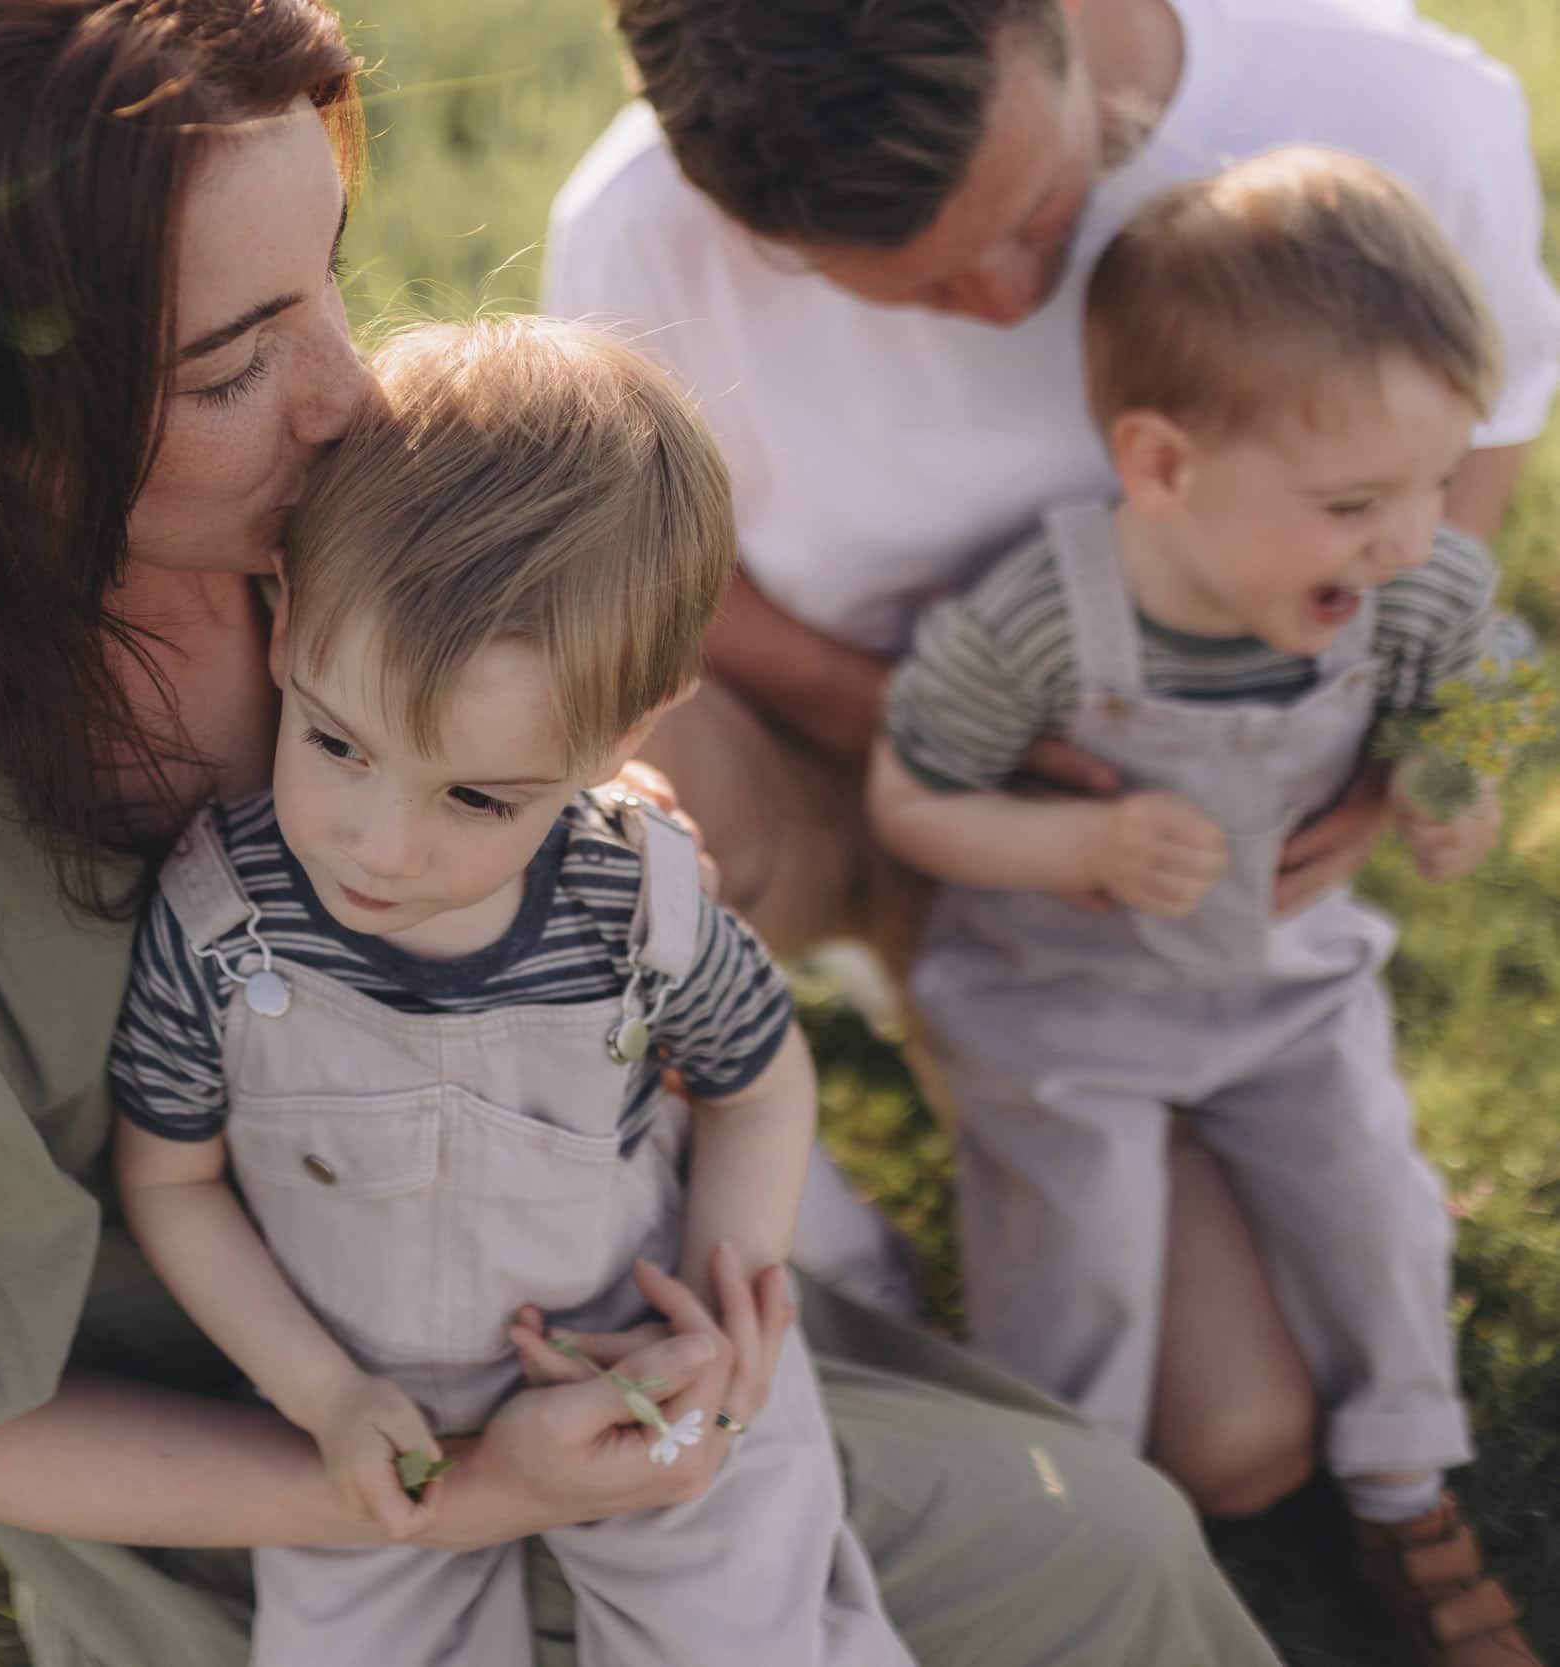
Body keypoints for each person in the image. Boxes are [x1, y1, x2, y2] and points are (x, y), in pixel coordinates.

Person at [0, 2, 1288, 1662]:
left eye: (325, 276)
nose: (347, 392)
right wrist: (452, 1490)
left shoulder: (342, 527)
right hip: (278, 1491)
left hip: (588, 1298)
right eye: (230, 361)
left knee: (1115, 1544)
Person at [543, 0, 1560, 1519]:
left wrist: (1394, 731)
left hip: (1165, 870)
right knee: (606, 763)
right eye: (919, 289)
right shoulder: (639, 232)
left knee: (1236, 1444)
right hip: (849, 770)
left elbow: (1469, 464)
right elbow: (673, 579)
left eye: (1041, 211)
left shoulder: (1399, 106)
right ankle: (796, 1243)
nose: (1018, 299)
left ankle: (985, 1093)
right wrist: (947, 731)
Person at [111, 315, 913, 1665]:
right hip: (376, 1405)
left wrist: (728, 1306)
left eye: (478, 795)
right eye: (337, 741)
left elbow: (758, 1084)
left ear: (625, 735)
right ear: (289, 623)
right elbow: (169, 1181)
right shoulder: (216, 924)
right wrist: (323, 1395)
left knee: (750, 1635)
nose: (379, 841)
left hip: (629, 1357)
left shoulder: (631, 905)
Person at [865, 147, 1536, 1667]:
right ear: (1162, 466)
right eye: (1359, 500)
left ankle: (1403, 1485)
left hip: (1283, 990)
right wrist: (1072, 853)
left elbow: (1493, 678)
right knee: (1080, 1245)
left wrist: (1449, 784)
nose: (1411, 540)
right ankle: (1066, 1514)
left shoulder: (1404, 588)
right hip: (1063, 1006)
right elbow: (907, 798)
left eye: (1437, 482)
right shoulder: (1044, 612)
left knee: (1369, 1183)